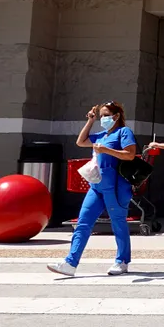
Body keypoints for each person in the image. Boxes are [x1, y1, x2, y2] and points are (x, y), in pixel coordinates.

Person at [48, 101, 138, 277]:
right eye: (101, 116)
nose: (103, 118)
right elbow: (81, 142)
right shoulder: (102, 135)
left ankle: (122, 261)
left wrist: (106, 150)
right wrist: (90, 121)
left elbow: (130, 154)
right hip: (97, 186)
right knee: (83, 222)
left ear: (116, 116)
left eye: (105, 115)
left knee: (118, 223)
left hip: (116, 186)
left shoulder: (123, 133)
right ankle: (70, 263)